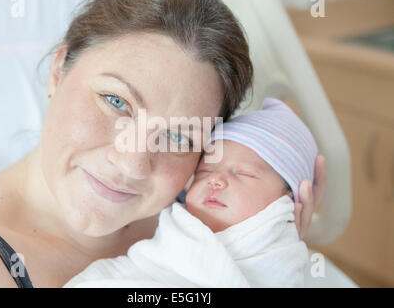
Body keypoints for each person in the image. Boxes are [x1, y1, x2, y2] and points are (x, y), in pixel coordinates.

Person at [0, 0, 326, 288]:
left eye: (179, 136)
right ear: (58, 71)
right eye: (116, 101)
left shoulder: (207, 216)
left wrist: (262, 251)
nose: (132, 163)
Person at [63, 98, 315, 288]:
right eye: (204, 172)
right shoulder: (170, 221)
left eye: (243, 173)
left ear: (287, 201)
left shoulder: (280, 255)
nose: (215, 180)